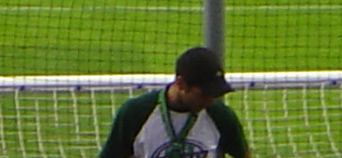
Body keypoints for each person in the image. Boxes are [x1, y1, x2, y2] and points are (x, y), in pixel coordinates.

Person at [97, 47, 248, 158]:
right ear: (181, 84)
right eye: (203, 94)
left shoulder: (221, 116)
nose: (209, 101)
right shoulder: (136, 113)